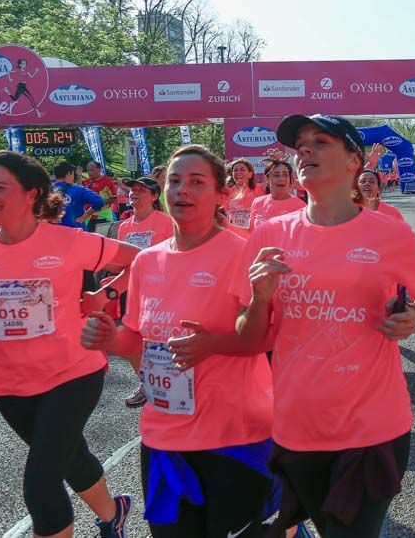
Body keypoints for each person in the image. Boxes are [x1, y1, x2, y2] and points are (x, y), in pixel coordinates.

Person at [235, 114, 415, 537]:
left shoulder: (389, 233)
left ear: (353, 161)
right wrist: (259, 298)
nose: (304, 150)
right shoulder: (269, 235)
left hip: (372, 425)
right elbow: (250, 337)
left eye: (321, 141)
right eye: (301, 144)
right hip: (297, 424)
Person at [81, 145, 276, 538]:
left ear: (222, 195)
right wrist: (109, 337)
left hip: (232, 438)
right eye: (174, 181)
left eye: (196, 182)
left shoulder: (240, 254)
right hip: (164, 438)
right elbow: (136, 340)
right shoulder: (146, 262)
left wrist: (212, 344)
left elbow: (262, 339)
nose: (182, 190)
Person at [0, 151, 139, 538]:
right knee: (70, 459)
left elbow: (145, 261)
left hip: (73, 375)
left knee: (40, 479)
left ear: (32, 194)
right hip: (10, 386)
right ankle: (113, 513)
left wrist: (105, 294)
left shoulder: (69, 241)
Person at [114, 176, 175, 409]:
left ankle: (168, 383)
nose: (134, 193)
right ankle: (145, 381)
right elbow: (121, 260)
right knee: (131, 340)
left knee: (160, 340)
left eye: (141, 190)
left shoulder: (166, 222)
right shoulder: (124, 226)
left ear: (154, 196)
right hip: (131, 289)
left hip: (160, 290)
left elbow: (174, 257)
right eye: (132, 190)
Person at [250, 159, 305, 230]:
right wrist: (230, 227)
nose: (282, 179)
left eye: (285, 175)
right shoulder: (257, 202)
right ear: (267, 179)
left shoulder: (300, 206)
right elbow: (251, 232)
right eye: (276, 175)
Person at [52, 161, 106, 229]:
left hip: (52, 233)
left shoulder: (45, 190)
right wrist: (85, 215)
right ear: (69, 174)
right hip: (76, 231)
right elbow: (99, 201)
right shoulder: (78, 189)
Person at [226, 159, 260, 236]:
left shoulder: (259, 189)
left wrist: (278, 162)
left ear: (250, 174)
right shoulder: (226, 192)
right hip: (234, 235)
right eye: (235, 170)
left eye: (242, 169)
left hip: (254, 235)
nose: (238, 172)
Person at [83, 161, 119, 231]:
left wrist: (99, 202)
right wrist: (78, 176)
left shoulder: (107, 180)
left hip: (102, 217)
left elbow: (114, 199)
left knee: (101, 240)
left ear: (99, 169)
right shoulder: (86, 182)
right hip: (88, 218)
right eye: (88, 170)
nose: (89, 172)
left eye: (92, 170)